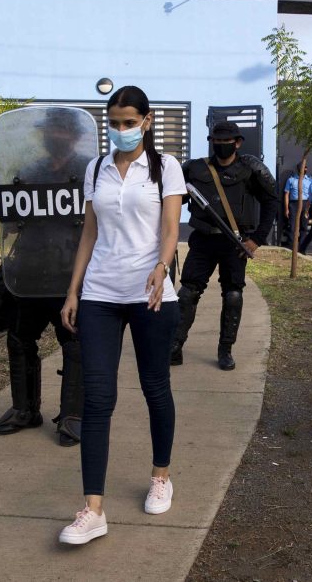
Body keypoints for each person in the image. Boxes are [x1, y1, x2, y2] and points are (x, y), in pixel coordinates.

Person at [57, 86, 185, 545]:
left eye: (129, 121)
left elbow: (170, 227)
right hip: (100, 293)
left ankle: (161, 476)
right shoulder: (97, 168)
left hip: (150, 294)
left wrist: (161, 265)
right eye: (114, 121)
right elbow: (89, 233)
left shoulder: (166, 167)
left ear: (147, 121)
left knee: (155, 388)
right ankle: (93, 510)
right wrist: (73, 291)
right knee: (97, 398)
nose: (120, 129)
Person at [0, 112, 92, 447]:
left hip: (71, 272)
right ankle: (24, 409)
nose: (55, 134)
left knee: (75, 343)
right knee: (20, 338)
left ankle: (73, 416)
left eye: (62, 129)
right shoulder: (31, 172)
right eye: (51, 129)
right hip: (31, 271)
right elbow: (13, 223)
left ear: (74, 135)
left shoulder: (89, 170)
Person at [168, 120, 278, 370]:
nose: (220, 147)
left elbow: (271, 201)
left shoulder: (250, 169)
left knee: (233, 295)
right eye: (215, 142)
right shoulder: (195, 169)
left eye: (225, 143)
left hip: (235, 243)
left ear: (237, 143)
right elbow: (173, 199)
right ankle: (175, 346)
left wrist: (257, 239)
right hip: (203, 240)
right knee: (187, 293)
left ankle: (225, 349)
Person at [282, 162, 312, 247]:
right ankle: (291, 247)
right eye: (303, 168)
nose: (305, 169)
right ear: (299, 169)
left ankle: (302, 247)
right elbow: (286, 194)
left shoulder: (309, 180)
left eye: (306, 168)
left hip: (305, 203)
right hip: (294, 204)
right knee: (292, 226)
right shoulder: (291, 180)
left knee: (304, 226)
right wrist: (286, 208)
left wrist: (308, 208)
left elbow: (311, 194)